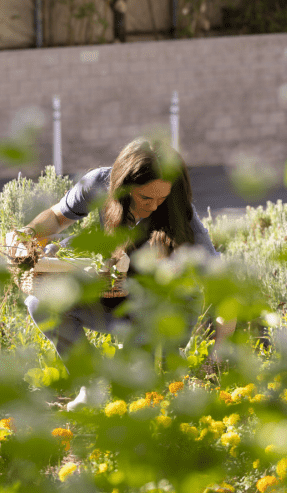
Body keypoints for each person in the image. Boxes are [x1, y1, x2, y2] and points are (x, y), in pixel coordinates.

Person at [20, 137, 233, 361]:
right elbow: (56, 217)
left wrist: (219, 348)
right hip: (115, 297)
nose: (153, 206)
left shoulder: (180, 212)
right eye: (145, 197)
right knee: (41, 303)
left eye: (162, 198)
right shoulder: (98, 184)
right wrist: (25, 236)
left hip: (163, 309)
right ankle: (90, 385)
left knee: (144, 386)